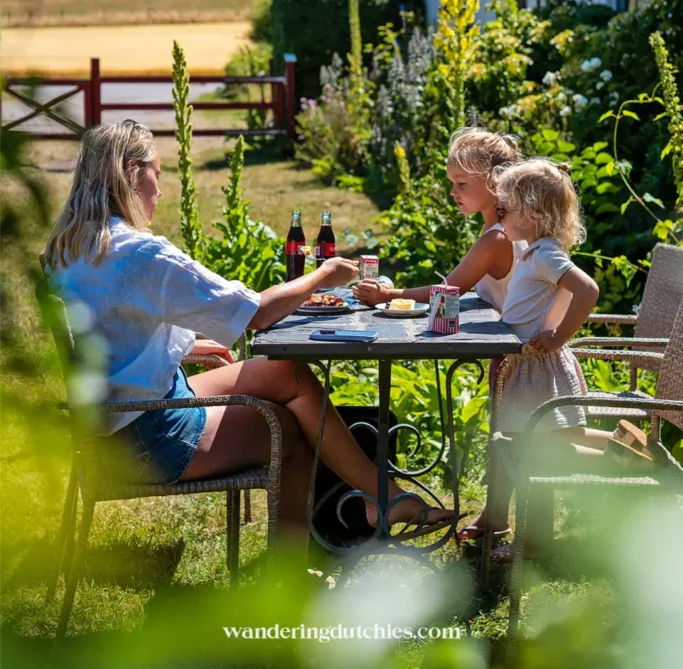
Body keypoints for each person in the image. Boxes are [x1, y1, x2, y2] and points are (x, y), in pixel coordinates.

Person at [43, 121, 453, 544]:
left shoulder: (66, 249)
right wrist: (324, 274)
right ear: (132, 173)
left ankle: (381, 495)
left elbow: (116, 329)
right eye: (157, 175)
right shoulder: (142, 253)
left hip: (110, 423)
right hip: (146, 436)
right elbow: (256, 313)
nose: (160, 191)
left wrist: (189, 346)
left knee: (287, 374)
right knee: (284, 431)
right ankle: (294, 570)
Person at [472, 157, 652, 562]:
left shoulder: (543, 255)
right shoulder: (538, 248)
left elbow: (587, 290)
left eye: (505, 210)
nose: (499, 218)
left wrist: (558, 336)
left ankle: (536, 540)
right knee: (543, 443)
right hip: (529, 365)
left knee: (534, 452)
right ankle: (623, 450)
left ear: (531, 215)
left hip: (535, 367)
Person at [353, 128, 528, 541]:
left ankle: (529, 537)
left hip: (525, 355)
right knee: (504, 437)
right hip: (513, 350)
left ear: (496, 182)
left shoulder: (496, 237)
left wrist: (391, 294)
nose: (453, 192)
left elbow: (447, 292)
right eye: (452, 183)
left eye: (461, 184)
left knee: (519, 442)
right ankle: (496, 515)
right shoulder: (504, 228)